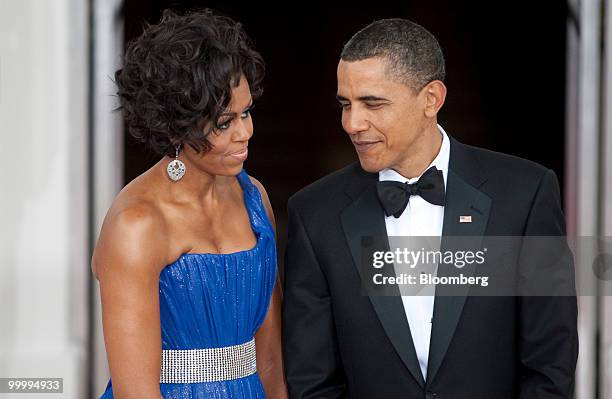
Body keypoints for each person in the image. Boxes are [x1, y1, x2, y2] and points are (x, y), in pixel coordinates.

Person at [282, 18, 578, 398]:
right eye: (345, 104)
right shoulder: (313, 214)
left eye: (373, 103)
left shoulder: (525, 193)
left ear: (431, 99)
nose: (353, 123)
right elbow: (312, 380)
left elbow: (551, 363)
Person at [92, 9, 287, 399]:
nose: (245, 133)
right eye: (223, 122)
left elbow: (270, 364)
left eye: (246, 113)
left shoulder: (255, 199)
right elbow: (137, 394)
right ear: (176, 124)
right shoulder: (137, 224)